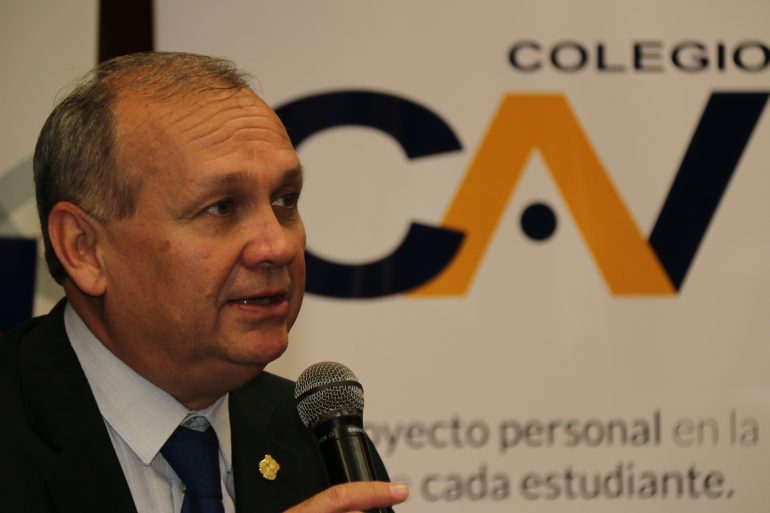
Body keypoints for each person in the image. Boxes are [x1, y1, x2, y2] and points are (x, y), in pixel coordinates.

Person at [0, 52, 408, 513]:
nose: (278, 246)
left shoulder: (316, 438)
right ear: (84, 248)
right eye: (221, 208)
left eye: (285, 200)